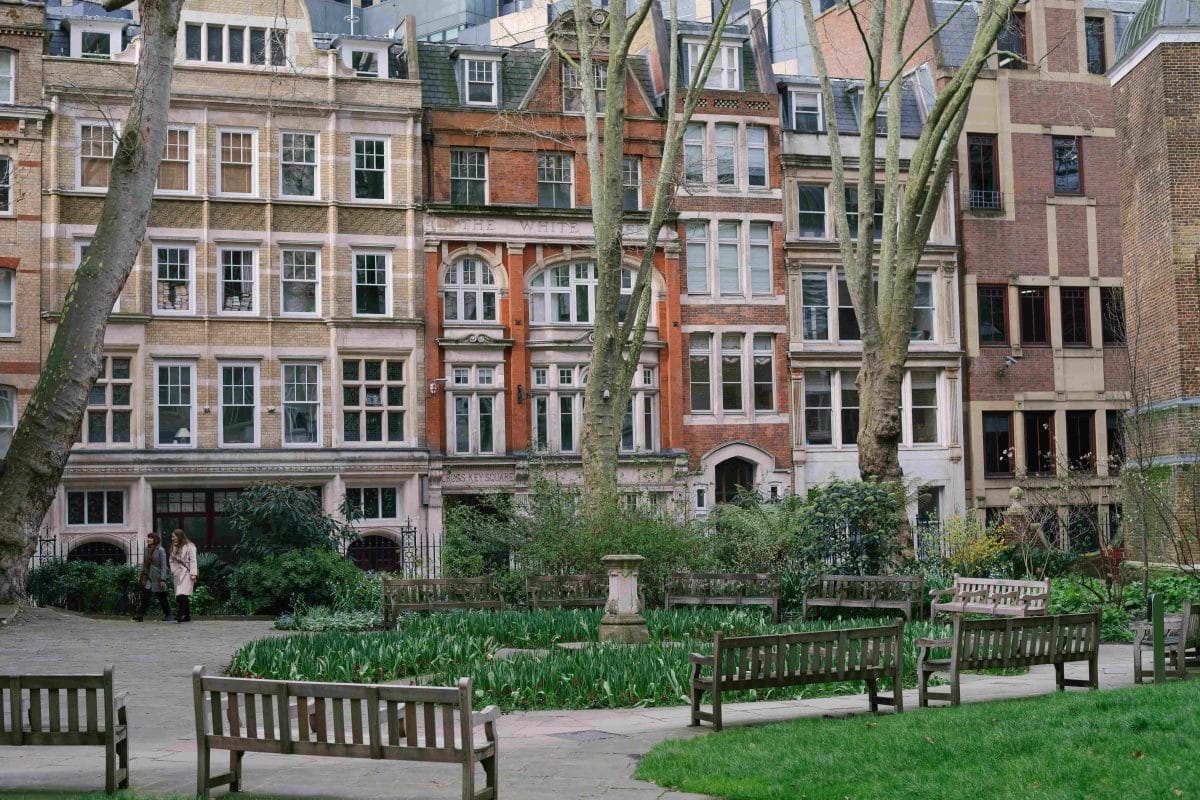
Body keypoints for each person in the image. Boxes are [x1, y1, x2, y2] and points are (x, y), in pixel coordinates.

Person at [133, 532, 172, 622]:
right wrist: (142, 574)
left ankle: (168, 614)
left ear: (155, 539)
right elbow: (145, 564)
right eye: (148, 538)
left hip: (158, 577)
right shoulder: (146, 549)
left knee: (162, 597)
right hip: (149, 577)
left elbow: (163, 565)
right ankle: (140, 615)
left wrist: (163, 579)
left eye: (150, 538)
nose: (148, 539)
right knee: (145, 596)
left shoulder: (160, 550)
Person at [169, 529, 199, 623]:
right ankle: (187, 616)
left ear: (179, 536)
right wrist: (173, 570)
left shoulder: (190, 546)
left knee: (181, 596)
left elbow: (193, 560)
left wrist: (193, 574)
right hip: (178, 573)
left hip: (187, 573)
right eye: (172, 536)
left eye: (174, 536)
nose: (172, 538)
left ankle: (179, 616)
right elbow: (171, 560)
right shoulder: (173, 546)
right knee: (183, 596)